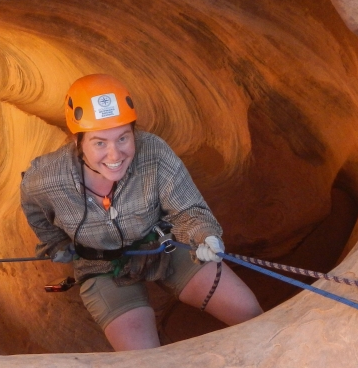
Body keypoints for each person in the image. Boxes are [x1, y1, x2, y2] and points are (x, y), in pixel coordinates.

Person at [21, 74, 262, 351]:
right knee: (143, 362)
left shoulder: (153, 152)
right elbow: (33, 206)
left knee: (249, 313)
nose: (114, 155)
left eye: (123, 137)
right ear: (78, 141)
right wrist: (55, 243)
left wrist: (205, 236)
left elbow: (187, 208)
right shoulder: (47, 178)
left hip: (161, 246)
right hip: (101, 267)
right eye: (100, 142)